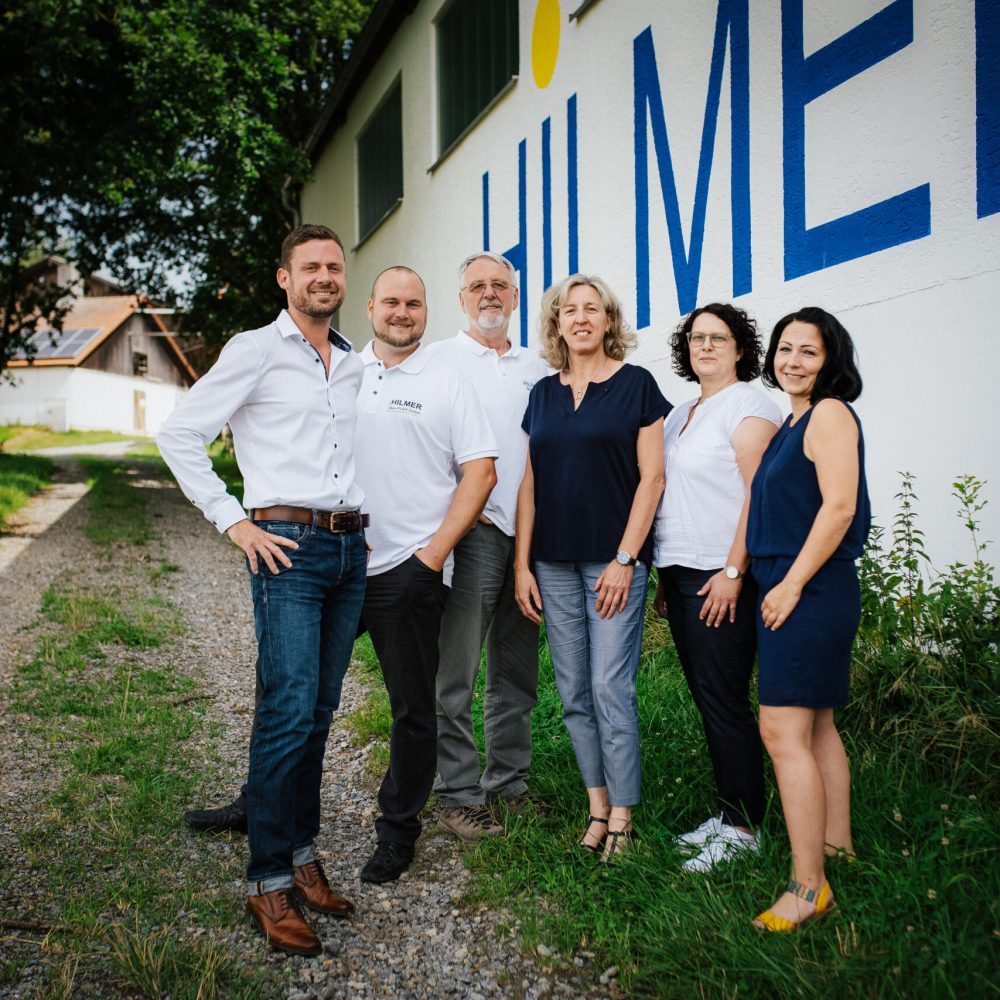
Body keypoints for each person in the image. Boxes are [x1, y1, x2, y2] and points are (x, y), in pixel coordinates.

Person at [157, 224, 366, 957]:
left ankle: (301, 854)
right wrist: (234, 523)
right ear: (285, 279)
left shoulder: (351, 361)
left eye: (333, 267)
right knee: (286, 708)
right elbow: (179, 435)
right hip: (288, 549)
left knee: (317, 712)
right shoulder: (255, 349)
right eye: (309, 267)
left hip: (349, 549)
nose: (323, 277)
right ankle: (268, 880)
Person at [514, 274, 670, 861]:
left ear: (609, 321)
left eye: (592, 309)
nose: (580, 318)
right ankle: (597, 806)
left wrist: (626, 559)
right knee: (574, 688)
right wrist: (521, 565)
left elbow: (652, 478)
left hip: (613, 562)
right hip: (551, 562)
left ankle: (625, 817)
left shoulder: (638, 387)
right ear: (557, 324)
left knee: (610, 684)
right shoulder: (542, 394)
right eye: (568, 310)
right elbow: (529, 483)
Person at [354, 266, 498, 883]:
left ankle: (398, 832)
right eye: (391, 302)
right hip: (330, 566)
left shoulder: (447, 380)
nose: (402, 312)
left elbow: (481, 471)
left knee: (414, 709)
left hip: (408, 570)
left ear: (428, 311)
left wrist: (431, 557)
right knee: (295, 697)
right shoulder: (337, 371)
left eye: (414, 303)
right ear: (370, 308)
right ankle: (267, 803)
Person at [746, 307, 870, 931]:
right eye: (785, 349)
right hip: (798, 585)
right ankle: (835, 849)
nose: (792, 362)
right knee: (817, 726)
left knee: (781, 732)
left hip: (809, 588)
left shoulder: (828, 414)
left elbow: (840, 506)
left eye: (809, 352)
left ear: (831, 361)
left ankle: (808, 888)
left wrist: (791, 583)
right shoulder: (792, 423)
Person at [651, 304, 781, 872]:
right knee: (709, 696)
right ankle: (728, 812)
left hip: (721, 576)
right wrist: (663, 575)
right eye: (696, 338)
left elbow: (759, 495)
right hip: (681, 572)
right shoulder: (682, 412)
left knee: (724, 699)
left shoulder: (750, 405)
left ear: (740, 349)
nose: (705, 346)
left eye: (718, 338)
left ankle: (744, 827)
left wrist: (733, 572)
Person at [426, 252, 548, 843]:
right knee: (456, 671)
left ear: (517, 297)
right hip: (470, 529)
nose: (490, 294)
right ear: (462, 299)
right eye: (478, 285)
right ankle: (457, 793)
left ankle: (510, 784)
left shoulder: (539, 365)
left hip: (530, 533)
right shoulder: (439, 361)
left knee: (516, 670)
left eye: (501, 285)